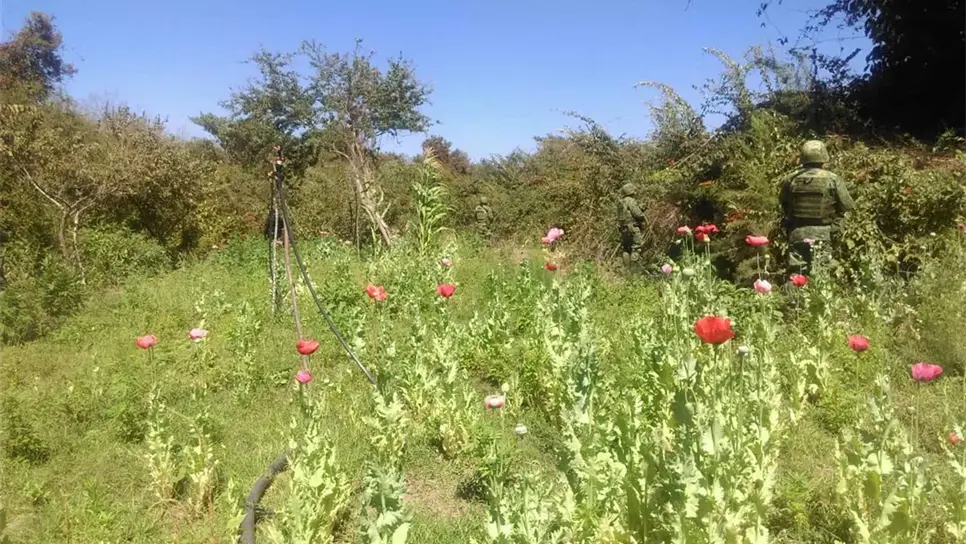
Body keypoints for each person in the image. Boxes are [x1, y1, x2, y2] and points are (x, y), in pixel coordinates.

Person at [779, 140, 854, 278]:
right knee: (822, 274)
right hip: (823, 235)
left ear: (803, 157)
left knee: (796, 274)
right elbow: (847, 205)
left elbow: (784, 203)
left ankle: (794, 293)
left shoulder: (791, 179)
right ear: (823, 156)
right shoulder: (833, 179)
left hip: (797, 234)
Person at [617, 183, 646, 269]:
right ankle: (634, 269)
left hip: (624, 228)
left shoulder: (621, 202)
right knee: (637, 247)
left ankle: (626, 269)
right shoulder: (631, 200)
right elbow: (638, 214)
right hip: (633, 227)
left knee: (626, 249)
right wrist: (642, 211)